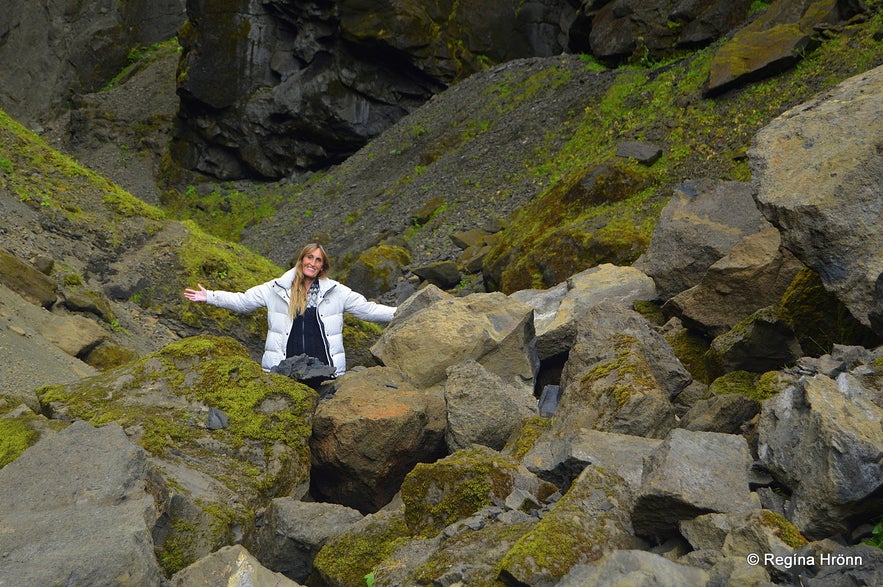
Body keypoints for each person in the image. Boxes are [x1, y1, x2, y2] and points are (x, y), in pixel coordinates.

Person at [184, 243, 396, 377]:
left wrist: (401, 312)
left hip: (326, 371)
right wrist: (210, 296)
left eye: (318, 260)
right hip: (284, 370)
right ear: (301, 259)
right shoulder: (276, 288)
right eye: (309, 257)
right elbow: (243, 301)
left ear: (323, 266)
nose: (312, 263)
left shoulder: (336, 291)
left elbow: (367, 311)